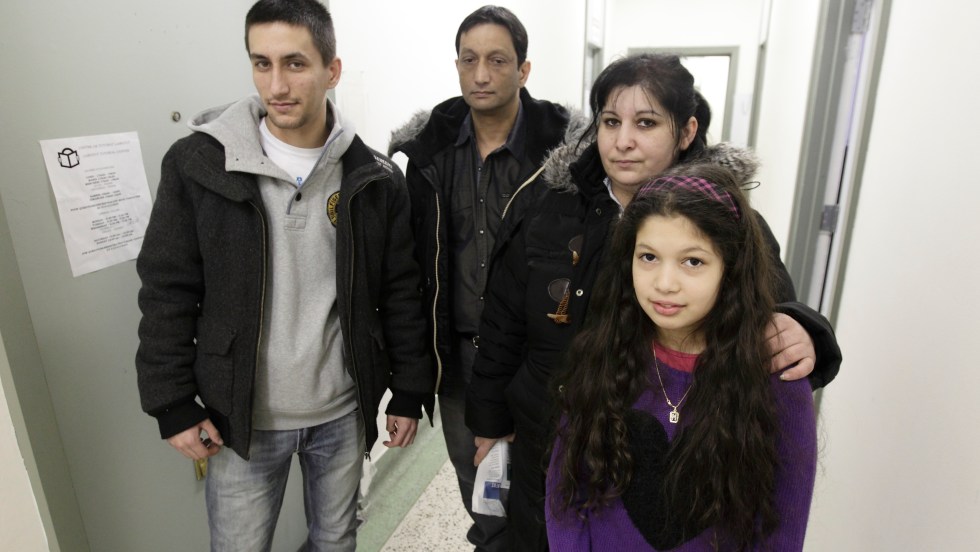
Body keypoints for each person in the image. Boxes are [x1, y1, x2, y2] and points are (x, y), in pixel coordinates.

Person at [466, 53, 841, 551]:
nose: (623, 141)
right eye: (610, 122)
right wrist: (491, 421)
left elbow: (766, 310)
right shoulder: (547, 208)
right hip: (549, 431)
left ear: (686, 132)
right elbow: (502, 322)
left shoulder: (726, 220)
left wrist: (804, 327)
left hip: (670, 438)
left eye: (646, 123)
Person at [134, 1, 433, 550]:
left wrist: (409, 390)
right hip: (239, 417)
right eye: (261, 63)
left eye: (295, 64)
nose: (276, 85)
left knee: (336, 540)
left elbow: (399, 292)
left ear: (331, 70)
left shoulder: (374, 178)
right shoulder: (198, 166)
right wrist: (171, 403)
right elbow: (167, 290)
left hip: (342, 411)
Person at [546, 163, 817, 550]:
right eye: (648, 257)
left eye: (693, 262)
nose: (664, 283)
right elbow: (566, 492)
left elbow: (781, 533)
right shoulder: (603, 353)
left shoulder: (777, 379)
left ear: (731, 269)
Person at [387, 6, 578, 551]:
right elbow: (407, 272)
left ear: (523, 69)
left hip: (540, 358)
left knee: (549, 494)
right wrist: (411, 377)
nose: (481, 74)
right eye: (469, 60)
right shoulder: (429, 155)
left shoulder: (565, 154)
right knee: (483, 494)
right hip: (459, 361)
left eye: (497, 61)